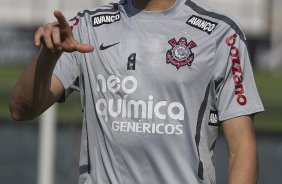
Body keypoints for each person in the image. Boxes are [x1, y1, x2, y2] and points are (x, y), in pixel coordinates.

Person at [10, 0, 264, 183]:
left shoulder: (221, 33)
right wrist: (49, 55)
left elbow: (242, 147)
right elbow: (21, 109)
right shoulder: (85, 28)